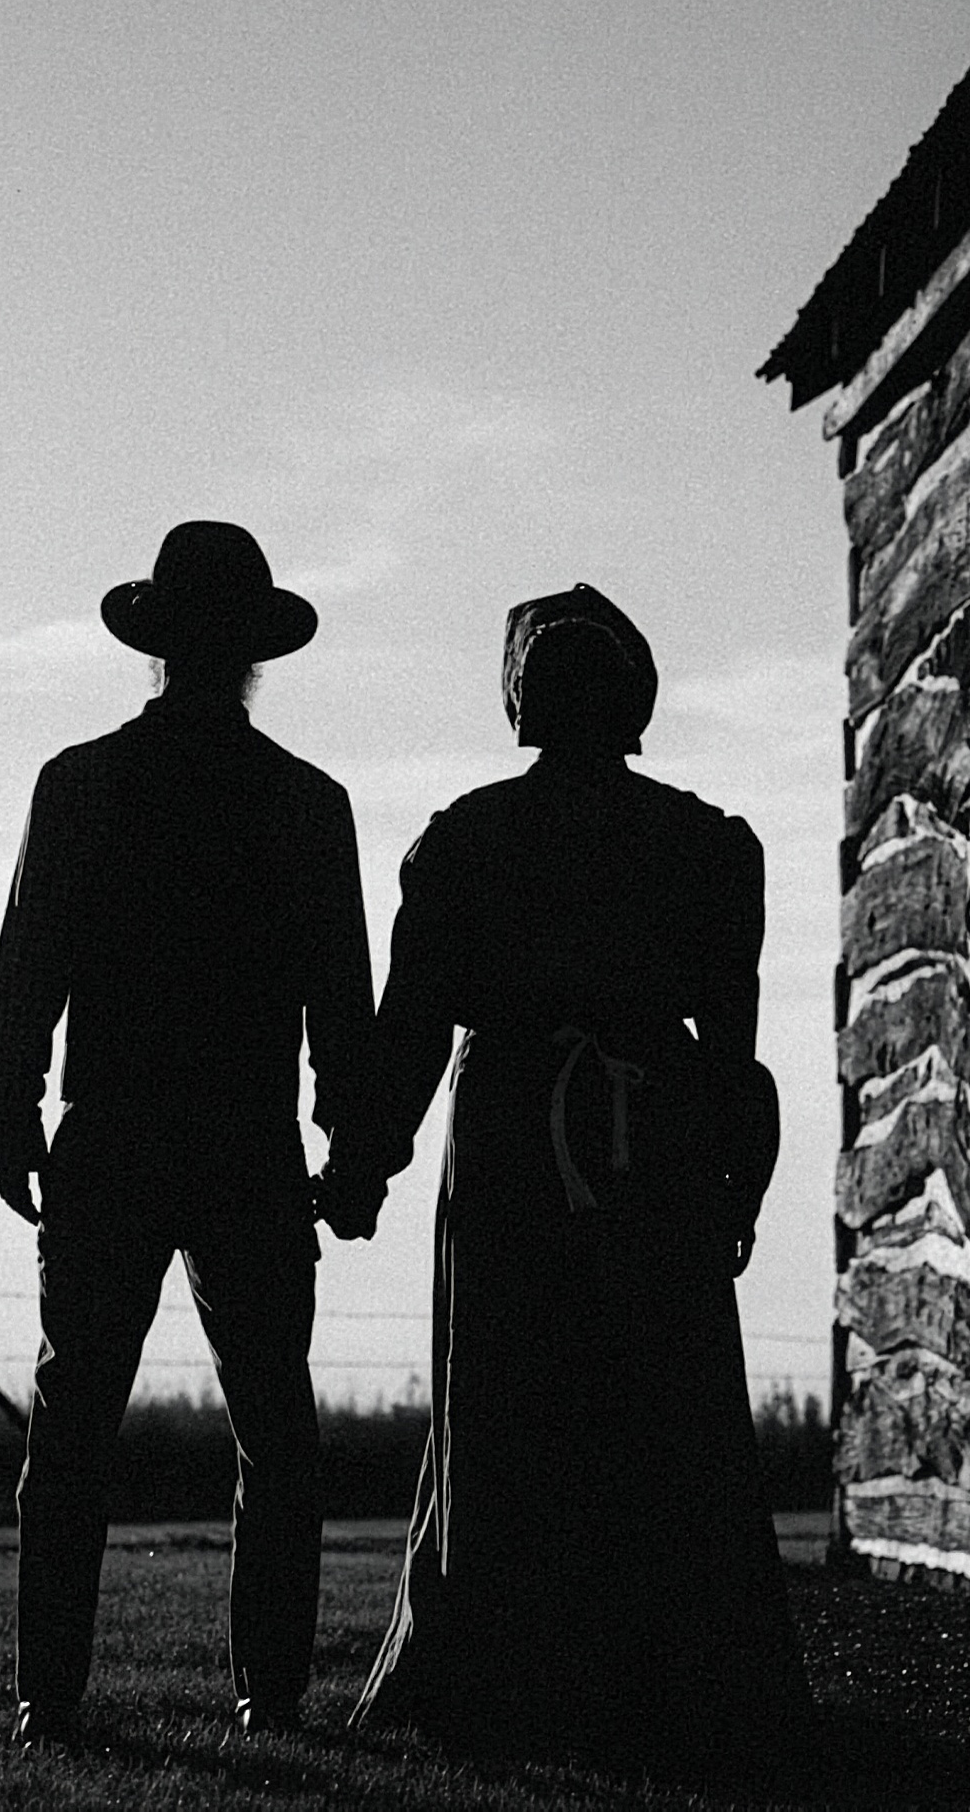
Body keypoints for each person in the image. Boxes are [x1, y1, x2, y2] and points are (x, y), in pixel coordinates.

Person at [318, 583, 811, 1778]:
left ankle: (518, 1683)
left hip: (521, 1153)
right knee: (649, 1406)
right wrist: (731, 1177)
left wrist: (362, 1163)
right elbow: (735, 1051)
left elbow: (413, 1029)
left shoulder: (469, 838)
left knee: (516, 1399)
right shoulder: (705, 844)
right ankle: (671, 1683)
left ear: (522, 704)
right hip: (647, 1151)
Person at [0, 520, 374, 1751]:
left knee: (75, 1418)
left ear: (154, 645)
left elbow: (28, 960)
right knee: (274, 1427)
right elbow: (339, 1002)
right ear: (252, 652)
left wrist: (14, 1106)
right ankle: (268, 1692)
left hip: (113, 1133)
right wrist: (351, 1147)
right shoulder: (305, 804)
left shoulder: (85, 782)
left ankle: (50, 1697)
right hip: (243, 1145)